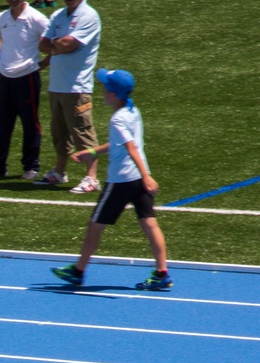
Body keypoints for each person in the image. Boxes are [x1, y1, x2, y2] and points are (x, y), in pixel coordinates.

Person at [50, 68, 172, 291]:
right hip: (137, 178)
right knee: (150, 224)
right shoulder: (133, 110)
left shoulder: (117, 119)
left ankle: (78, 271)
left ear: (114, 94)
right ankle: (162, 273)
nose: (103, 91)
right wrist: (94, 152)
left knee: (95, 225)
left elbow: (130, 147)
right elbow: (122, 142)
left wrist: (147, 176)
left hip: (122, 180)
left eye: (106, 88)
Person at [0, 0, 49, 181]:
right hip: (6, 78)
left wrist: (41, 65)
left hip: (27, 78)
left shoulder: (36, 18)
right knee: (3, 123)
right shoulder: (2, 18)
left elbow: (53, 41)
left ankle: (31, 165)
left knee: (30, 123)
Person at [37, 0, 101, 193]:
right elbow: (42, 43)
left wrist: (55, 44)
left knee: (82, 131)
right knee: (59, 131)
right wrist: (59, 45)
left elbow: (69, 44)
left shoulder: (88, 16)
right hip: (57, 84)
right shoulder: (58, 15)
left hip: (77, 86)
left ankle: (92, 177)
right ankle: (59, 171)